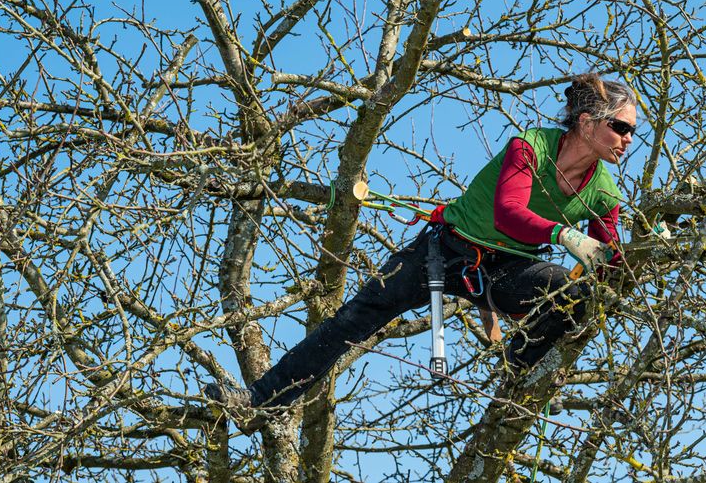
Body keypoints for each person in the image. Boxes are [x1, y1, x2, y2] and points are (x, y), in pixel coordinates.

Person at [205, 72, 637, 430]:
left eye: (633, 131)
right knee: (353, 320)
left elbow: (609, 262)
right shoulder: (530, 147)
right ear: (586, 123)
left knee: (572, 294)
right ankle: (262, 399)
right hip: (444, 251)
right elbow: (508, 213)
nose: (628, 139)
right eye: (620, 127)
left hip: (505, 270)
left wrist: (644, 253)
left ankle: (522, 373)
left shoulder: (603, 191)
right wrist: (565, 235)